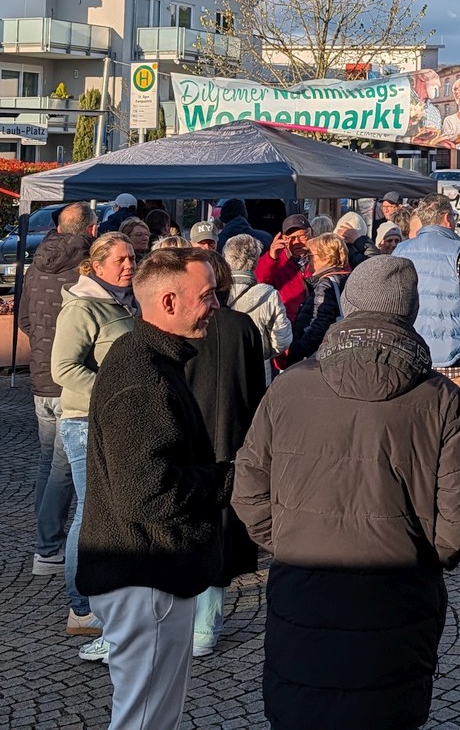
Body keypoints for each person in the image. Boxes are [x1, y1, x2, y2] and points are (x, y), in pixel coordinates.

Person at [232, 255, 460, 729]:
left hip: (306, 584)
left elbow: (247, 488)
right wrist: (421, 559)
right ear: (410, 312)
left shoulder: (290, 386)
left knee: (302, 709)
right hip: (397, 590)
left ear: (349, 306)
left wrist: (288, 540)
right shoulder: (438, 397)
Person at [76, 248, 230, 728]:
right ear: (168, 302)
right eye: (207, 295)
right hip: (146, 575)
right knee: (145, 721)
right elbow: (148, 493)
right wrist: (230, 477)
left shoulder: (149, 359)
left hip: (147, 570)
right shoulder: (142, 374)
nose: (216, 305)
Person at [50, 232, 139, 655]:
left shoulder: (125, 302)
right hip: (85, 422)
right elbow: (63, 368)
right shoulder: (83, 306)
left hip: (115, 421)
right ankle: (81, 608)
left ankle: (106, 595)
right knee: (89, 513)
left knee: (111, 511)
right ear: (97, 264)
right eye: (120, 259)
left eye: (132, 257)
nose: (129, 264)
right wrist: (112, 392)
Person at [184, 251, 266, 657]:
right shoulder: (243, 326)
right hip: (232, 434)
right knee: (221, 524)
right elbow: (257, 389)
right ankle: (206, 625)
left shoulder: (181, 328)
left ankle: (193, 621)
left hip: (190, 435)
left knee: (190, 521)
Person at [18, 203, 97, 590]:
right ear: (91, 230)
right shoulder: (85, 266)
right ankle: (47, 547)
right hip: (71, 379)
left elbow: (24, 320)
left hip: (41, 377)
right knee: (63, 469)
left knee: (49, 462)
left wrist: (42, 346)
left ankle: (45, 539)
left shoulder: (36, 263)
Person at [392, 193, 460, 409]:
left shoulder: (400, 250)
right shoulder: (459, 251)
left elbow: (391, 297)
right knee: (457, 415)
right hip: (455, 353)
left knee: (421, 415)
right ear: (446, 218)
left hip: (412, 350)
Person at [225, 234, 292, 385]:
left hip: (224, 369)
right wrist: (263, 354)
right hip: (259, 369)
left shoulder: (216, 292)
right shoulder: (269, 295)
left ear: (227, 259)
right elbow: (282, 340)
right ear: (255, 261)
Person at [285, 233, 351, 365]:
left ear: (326, 258)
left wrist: (297, 351)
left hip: (318, 355)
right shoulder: (347, 277)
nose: (307, 259)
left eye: (310, 255)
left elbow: (320, 324)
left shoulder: (325, 283)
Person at [255, 214, 313, 322]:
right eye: (291, 238)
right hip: (289, 321)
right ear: (284, 239)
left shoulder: (321, 256)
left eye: (302, 236)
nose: (297, 242)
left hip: (318, 319)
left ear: (311, 234)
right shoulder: (277, 260)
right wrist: (271, 257)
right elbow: (259, 282)